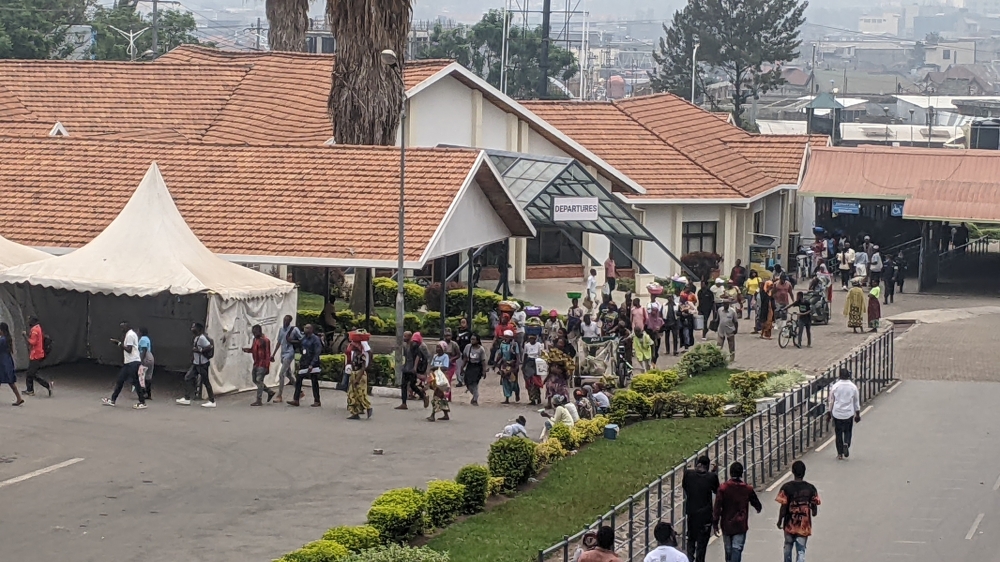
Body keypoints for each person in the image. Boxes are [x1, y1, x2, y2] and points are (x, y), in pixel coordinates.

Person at [713, 461, 762, 562]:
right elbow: (755, 502)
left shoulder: (723, 488)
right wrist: (758, 508)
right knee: (737, 549)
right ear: (741, 474)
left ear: (730, 473)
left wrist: (715, 523)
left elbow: (717, 506)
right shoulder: (747, 488)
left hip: (726, 524)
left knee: (728, 550)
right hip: (740, 524)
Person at [776, 461, 820, 562]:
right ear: (804, 472)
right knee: (801, 550)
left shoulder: (786, 487)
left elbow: (783, 507)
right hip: (804, 525)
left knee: (787, 546)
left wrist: (779, 521)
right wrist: (813, 511)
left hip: (789, 524)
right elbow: (814, 505)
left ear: (793, 472)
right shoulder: (810, 488)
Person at [682, 456, 719, 562]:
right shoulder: (711, 477)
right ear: (707, 466)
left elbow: (685, 486)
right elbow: (716, 490)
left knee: (691, 540)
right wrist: (713, 474)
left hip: (692, 514)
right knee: (702, 545)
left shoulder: (688, 474)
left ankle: (689, 559)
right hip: (705, 516)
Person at [103, 321, 146, 409]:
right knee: (121, 380)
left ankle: (142, 402)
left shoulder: (130, 335)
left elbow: (129, 349)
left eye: (123, 327)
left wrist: (118, 343)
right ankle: (113, 400)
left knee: (135, 382)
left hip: (133, 362)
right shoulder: (131, 334)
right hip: (129, 362)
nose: (122, 329)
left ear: (127, 327)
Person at [827, 367, 861, 460]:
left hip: (837, 413)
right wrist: (857, 414)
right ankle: (846, 443)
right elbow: (856, 401)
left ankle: (840, 454)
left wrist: (829, 413)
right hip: (848, 413)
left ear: (840, 376)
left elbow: (831, 401)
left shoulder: (835, 386)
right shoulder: (853, 387)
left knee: (838, 434)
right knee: (848, 431)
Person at [288, 323, 323, 408]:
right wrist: (300, 362)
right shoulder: (304, 338)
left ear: (311, 329)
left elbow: (317, 352)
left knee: (314, 381)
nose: (305, 329)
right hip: (304, 362)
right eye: (304, 328)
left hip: (312, 363)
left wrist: (312, 364)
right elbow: (301, 349)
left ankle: (317, 400)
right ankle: (296, 399)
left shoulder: (315, 339)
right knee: (299, 379)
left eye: (307, 328)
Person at [242, 324, 275, 407]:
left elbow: (268, 353)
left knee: (259, 380)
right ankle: (269, 391)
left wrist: (267, 366)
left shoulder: (265, 340)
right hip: (256, 362)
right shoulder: (255, 339)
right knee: (254, 380)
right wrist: (247, 350)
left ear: (259, 331)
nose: (254, 333)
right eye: (253, 332)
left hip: (262, 363)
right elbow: (253, 349)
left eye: (255, 332)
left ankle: (259, 400)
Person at [272, 315, 302, 403]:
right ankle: (299, 391)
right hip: (283, 353)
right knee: (289, 374)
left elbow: (301, 339)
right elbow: (279, 342)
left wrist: (292, 341)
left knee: (282, 374)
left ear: (290, 321)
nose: (285, 322)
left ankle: (279, 395)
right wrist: (273, 354)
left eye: (287, 321)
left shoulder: (294, 330)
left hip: (290, 353)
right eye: (284, 320)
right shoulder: (281, 330)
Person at [397, 331, 429, 410]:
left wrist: (415, 367)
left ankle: (423, 396)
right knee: (403, 385)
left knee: (412, 385)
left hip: (411, 368)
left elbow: (418, 356)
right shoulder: (405, 345)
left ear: (410, 337)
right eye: (404, 336)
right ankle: (404, 403)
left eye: (405, 336)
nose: (404, 338)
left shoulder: (413, 345)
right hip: (406, 367)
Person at [21, 316, 52, 397]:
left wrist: (25, 336)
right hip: (39, 354)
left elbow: (33, 342)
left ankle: (46, 385)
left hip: (36, 355)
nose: (28, 323)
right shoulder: (39, 328)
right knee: (32, 373)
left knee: (31, 373)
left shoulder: (34, 330)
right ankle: (30, 389)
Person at [345, 337, 372, 420]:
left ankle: (368, 407)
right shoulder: (353, 354)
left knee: (361, 393)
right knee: (351, 394)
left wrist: (357, 379)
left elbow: (363, 367)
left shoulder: (362, 355)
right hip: (353, 373)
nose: (351, 346)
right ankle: (354, 413)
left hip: (360, 375)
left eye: (353, 345)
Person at [0, 322, 23, 406]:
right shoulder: (7, 338)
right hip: (7, 360)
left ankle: (19, 398)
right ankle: (19, 398)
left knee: (9, 381)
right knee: (11, 382)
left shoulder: (2, 339)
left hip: (2, 362)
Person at [497, 329, 521, 404]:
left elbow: (517, 355)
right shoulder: (502, 344)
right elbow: (500, 354)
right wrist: (496, 363)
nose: (506, 338)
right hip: (505, 364)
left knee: (513, 381)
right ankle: (507, 398)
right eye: (505, 337)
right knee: (505, 381)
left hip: (512, 364)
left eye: (507, 337)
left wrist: (517, 365)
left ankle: (516, 393)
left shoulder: (514, 345)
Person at [462, 333, 486, 406]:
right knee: (466, 381)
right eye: (471, 339)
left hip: (477, 367)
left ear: (477, 340)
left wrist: (484, 371)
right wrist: (462, 367)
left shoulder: (481, 349)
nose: (472, 341)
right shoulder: (468, 347)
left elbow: (483, 361)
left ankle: (475, 397)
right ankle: (474, 394)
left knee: (474, 382)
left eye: (473, 339)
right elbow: (465, 358)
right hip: (470, 365)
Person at [523, 333, 544, 405]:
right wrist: (523, 365)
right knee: (529, 381)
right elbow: (525, 355)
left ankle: (538, 397)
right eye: (530, 338)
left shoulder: (539, 345)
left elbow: (541, 354)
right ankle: (532, 399)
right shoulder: (527, 345)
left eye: (533, 338)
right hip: (529, 362)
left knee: (536, 381)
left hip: (536, 362)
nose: (532, 340)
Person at [137, 327, 154, 400]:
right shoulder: (147, 338)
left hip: (145, 358)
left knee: (141, 376)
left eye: (138, 331)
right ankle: (149, 394)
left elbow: (144, 350)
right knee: (148, 376)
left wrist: (140, 361)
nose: (137, 332)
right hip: (150, 358)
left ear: (141, 332)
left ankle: (143, 393)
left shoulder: (143, 339)